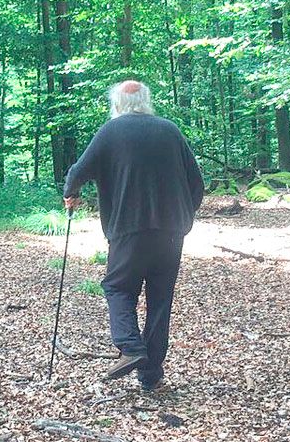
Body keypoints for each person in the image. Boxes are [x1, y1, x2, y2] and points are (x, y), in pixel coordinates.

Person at [63, 80, 204, 391]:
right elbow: (197, 181)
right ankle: (151, 377)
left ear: (117, 105)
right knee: (160, 299)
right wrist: (184, 215)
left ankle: (130, 347)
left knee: (117, 287)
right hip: (171, 231)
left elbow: (78, 171)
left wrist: (70, 193)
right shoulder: (169, 130)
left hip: (129, 229)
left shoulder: (111, 131)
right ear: (145, 101)